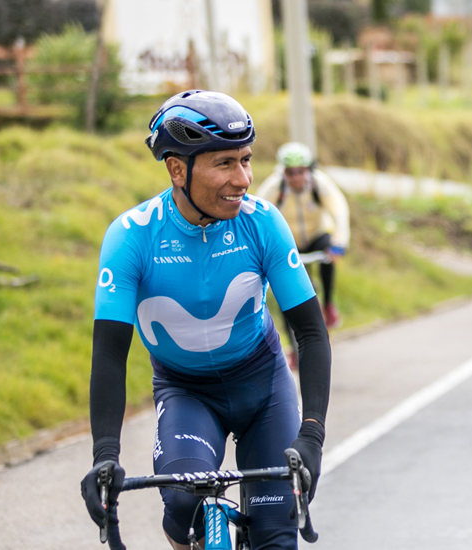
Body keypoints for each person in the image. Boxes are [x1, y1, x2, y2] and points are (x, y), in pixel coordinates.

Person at [80, 90, 332, 550]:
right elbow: (110, 354)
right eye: (225, 164)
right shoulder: (132, 237)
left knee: (276, 535)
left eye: (246, 160)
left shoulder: (262, 223)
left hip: (263, 387)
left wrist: (312, 434)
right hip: (186, 393)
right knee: (183, 507)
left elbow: (311, 333)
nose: (243, 179)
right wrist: (105, 456)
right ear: (178, 170)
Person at [255, 142, 350, 345]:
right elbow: (257, 217)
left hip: (316, 236)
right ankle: (293, 347)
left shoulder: (319, 184)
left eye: (301, 171)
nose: (296, 177)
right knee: (287, 293)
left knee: (327, 249)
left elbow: (339, 210)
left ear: (309, 170)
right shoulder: (275, 187)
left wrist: (340, 243)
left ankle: (328, 304)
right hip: (290, 243)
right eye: (291, 172)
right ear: (283, 172)